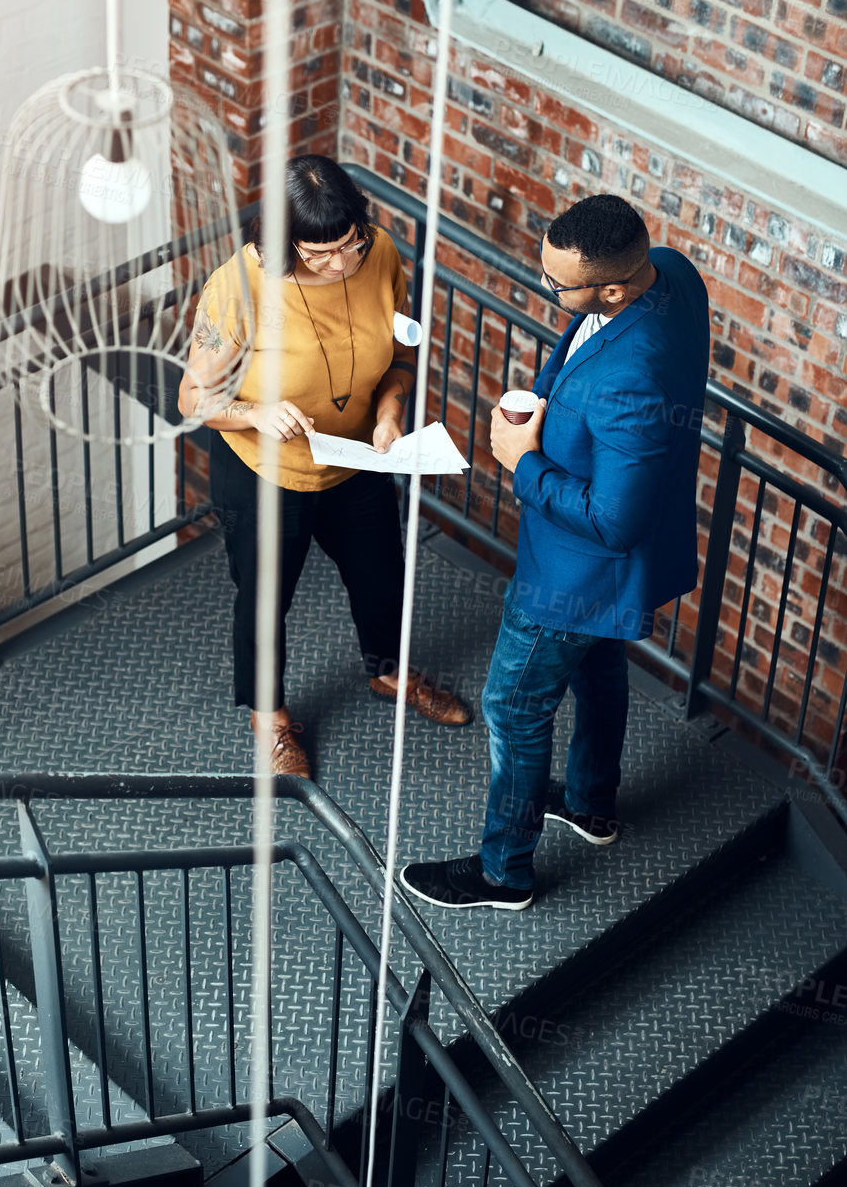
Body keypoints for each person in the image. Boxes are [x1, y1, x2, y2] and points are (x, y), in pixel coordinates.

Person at [400, 192, 710, 910]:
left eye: (556, 283)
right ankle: (589, 804)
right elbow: (583, 349)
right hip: (593, 582)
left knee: (511, 704)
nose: (547, 289)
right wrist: (546, 403)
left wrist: (522, 459)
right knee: (596, 664)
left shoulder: (630, 380)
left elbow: (612, 522)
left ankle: (503, 871)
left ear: (610, 286)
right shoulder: (669, 269)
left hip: (574, 571)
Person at [178, 154, 471, 776]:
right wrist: (255, 412)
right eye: (320, 255)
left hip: (356, 454)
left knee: (381, 574)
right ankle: (269, 718)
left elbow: (398, 357)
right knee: (265, 600)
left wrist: (391, 412)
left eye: (350, 244)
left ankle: (389, 674)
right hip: (263, 469)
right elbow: (193, 399)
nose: (342, 264)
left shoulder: (381, 254)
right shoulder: (237, 289)